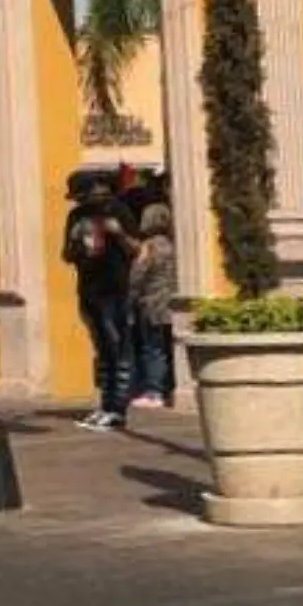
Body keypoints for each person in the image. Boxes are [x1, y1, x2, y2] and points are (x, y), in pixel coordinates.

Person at [62, 177, 140, 432]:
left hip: (115, 288)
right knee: (103, 350)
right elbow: (66, 255)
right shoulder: (76, 216)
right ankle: (105, 405)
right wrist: (75, 243)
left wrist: (117, 232)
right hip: (88, 288)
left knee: (118, 347)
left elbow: (136, 248)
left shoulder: (118, 210)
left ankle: (117, 410)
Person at [129, 203, 178, 409]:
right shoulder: (174, 245)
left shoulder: (148, 246)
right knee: (168, 348)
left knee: (153, 349)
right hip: (172, 304)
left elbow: (137, 276)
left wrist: (129, 298)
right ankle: (168, 388)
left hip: (152, 305)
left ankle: (153, 392)